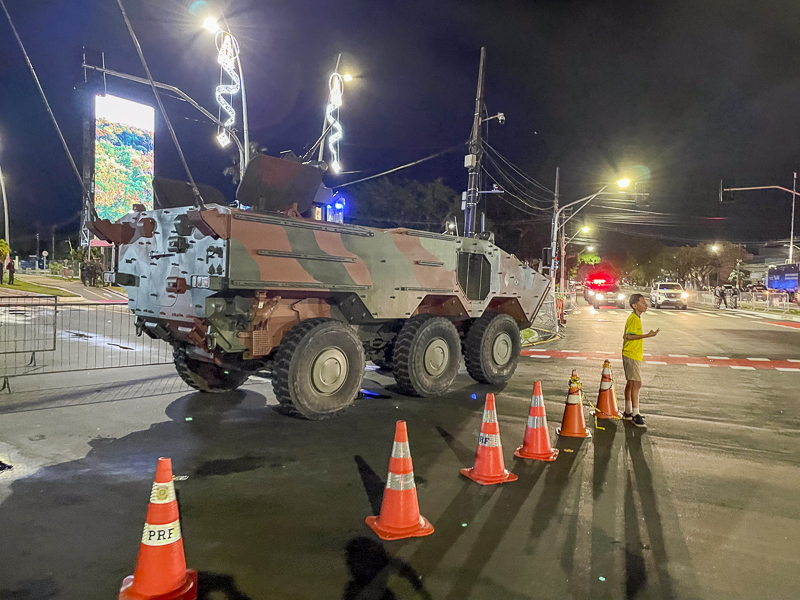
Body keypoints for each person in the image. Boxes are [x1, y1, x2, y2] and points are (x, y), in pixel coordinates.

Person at [622, 294, 659, 428]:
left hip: (632, 354)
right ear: (634, 305)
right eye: (642, 302)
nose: (646, 305)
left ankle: (628, 411)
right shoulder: (633, 319)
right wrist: (647, 335)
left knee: (631, 383)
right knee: (636, 384)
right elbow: (629, 336)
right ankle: (635, 414)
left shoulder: (635, 318)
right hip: (631, 354)